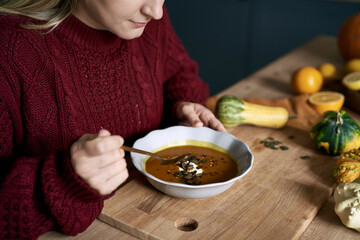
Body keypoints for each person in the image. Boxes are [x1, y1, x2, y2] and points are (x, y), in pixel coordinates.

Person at [0, 0, 226, 239]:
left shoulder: (146, 21)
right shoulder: (8, 50)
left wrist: (184, 103)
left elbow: (178, 72)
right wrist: (63, 181)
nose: (156, 12)